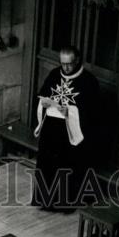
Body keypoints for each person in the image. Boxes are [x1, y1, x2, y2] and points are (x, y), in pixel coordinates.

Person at [32, 45, 99, 211]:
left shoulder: (88, 80)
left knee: (66, 166)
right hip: (51, 129)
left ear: (76, 61)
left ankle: (64, 204)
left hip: (70, 133)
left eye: (69, 64)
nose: (66, 68)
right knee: (46, 163)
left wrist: (69, 111)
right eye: (63, 64)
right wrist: (45, 102)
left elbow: (93, 110)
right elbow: (43, 94)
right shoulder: (55, 74)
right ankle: (44, 200)